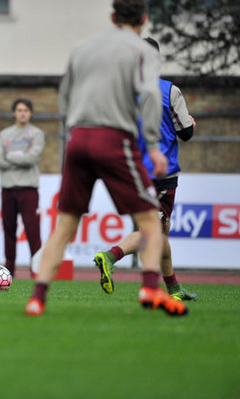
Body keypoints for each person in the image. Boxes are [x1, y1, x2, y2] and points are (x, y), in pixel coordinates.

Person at [25, 0, 188, 317]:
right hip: (114, 140)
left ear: (112, 17)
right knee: (151, 223)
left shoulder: (84, 47)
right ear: (144, 18)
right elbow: (152, 95)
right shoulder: (143, 52)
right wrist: (153, 146)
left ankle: (37, 299)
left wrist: (71, 127)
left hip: (78, 137)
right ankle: (150, 289)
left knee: (65, 226)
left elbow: (65, 91)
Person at [93, 37, 198, 301]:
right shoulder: (169, 90)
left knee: (160, 233)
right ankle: (110, 256)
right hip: (162, 173)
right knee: (153, 232)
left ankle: (173, 288)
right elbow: (185, 132)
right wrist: (191, 124)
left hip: (132, 171)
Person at [0, 98, 45, 277]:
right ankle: (9, 270)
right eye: (19, 110)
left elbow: (32, 159)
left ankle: (37, 269)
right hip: (8, 188)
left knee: (33, 230)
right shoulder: (5, 134)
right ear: (14, 113)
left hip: (28, 188)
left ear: (30, 113)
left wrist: (10, 156)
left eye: (26, 110)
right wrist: (20, 156)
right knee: (8, 229)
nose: (22, 113)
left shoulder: (36, 134)